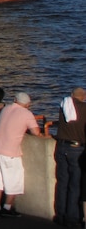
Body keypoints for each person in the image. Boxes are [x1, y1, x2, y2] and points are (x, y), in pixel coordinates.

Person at [0, 92, 41, 217]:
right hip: (10, 151)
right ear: (27, 104)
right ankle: (7, 208)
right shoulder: (26, 113)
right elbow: (36, 132)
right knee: (13, 181)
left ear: (15, 100)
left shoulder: (5, 109)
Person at [54, 87, 86, 227]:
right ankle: (71, 217)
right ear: (83, 97)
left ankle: (60, 214)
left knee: (62, 182)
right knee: (75, 184)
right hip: (77, 149)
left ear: (72, 96)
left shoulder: (64, 105)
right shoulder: (84, 108)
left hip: (61, 147)